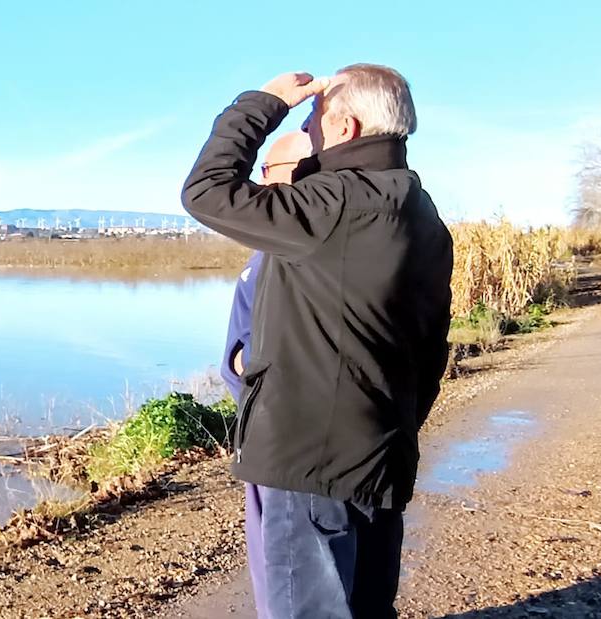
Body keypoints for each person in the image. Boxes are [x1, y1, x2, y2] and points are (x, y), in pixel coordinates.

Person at [183, 64, 454, 618]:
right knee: (366, 604)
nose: (307, 133)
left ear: (346, 125)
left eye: (312, 120)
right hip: (380, 447)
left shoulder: (334, 203)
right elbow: (432, 348)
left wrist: (263, 102)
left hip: (312, 456)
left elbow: (207, 191)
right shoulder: (421, 212)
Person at [218, 129, 311, 617]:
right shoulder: (281, 242)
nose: (258, 182)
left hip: (286, 441)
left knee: (292, 583)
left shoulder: (299, 243)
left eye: (268, 172)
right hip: (268, 431)